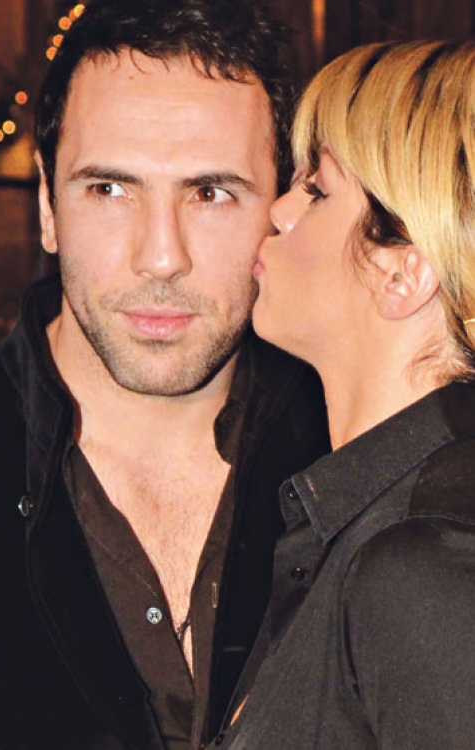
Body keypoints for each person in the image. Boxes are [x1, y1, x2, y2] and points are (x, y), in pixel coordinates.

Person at [0, 1, 330, 748]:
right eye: (110, 189)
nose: (161, 257)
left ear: (282, 207)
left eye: (210, 192)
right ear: (47, 205)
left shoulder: (356, 453)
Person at [211, 39, 475, 750]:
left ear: (403, 274)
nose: (278, 210)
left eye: (318, 190)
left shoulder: (424, 563)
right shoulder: (358, 519)